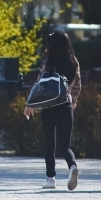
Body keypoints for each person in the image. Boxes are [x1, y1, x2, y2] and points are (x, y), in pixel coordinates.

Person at [23, 31, 81, 191]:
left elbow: (39, 84)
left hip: (48, 107)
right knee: (65, 145)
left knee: (50, 144)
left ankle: (50, 178)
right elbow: (78, 85)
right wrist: (73, 100)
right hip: (66, 106)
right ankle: (72, 167)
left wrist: (30, 104)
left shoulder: (48, 63)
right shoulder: (73, 62)